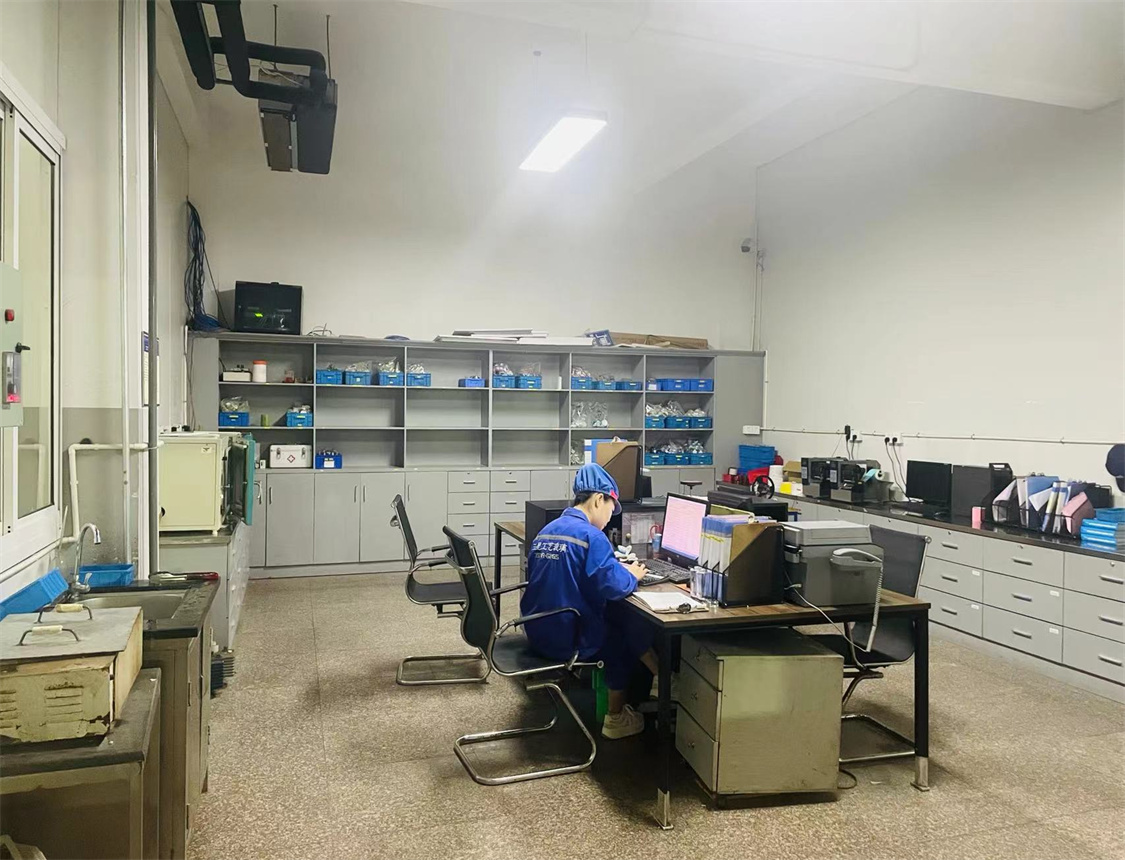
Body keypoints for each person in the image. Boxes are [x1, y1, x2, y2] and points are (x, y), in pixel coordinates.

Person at [520, 463, 659, 739]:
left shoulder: (548, 530)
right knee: (623, 635)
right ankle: (617, 718)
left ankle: (661, 678)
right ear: (598, 500)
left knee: (616, 617)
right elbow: (614, 587)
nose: (609, 518)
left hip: (536, 630)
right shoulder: (592, 537)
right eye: (610, 508)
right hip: (567, 639)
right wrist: (632, 574)